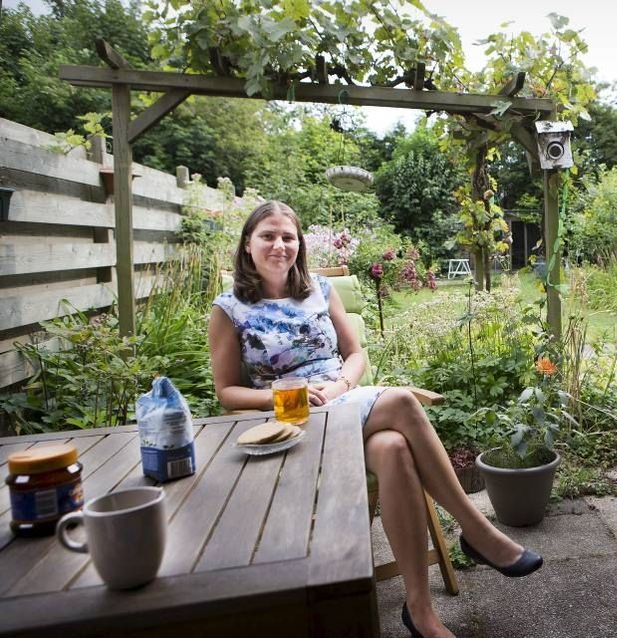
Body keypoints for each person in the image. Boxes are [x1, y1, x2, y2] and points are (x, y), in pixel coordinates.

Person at [209, 201, 543, 638]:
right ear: (247, 245)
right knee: (403, 402)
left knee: (394, 447)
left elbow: (355, 354)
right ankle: (477, 530)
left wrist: (340, 386)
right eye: (268, 236)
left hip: (341, 400)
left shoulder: (319, 290)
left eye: (288, 237)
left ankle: (420, 611)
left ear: (299, 244)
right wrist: (279, 394)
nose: (279, 245)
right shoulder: (230, 308)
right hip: (294, 422)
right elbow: (226, 391)